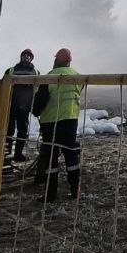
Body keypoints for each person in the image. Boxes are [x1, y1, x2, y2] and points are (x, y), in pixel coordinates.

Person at [34, 47, 81, 202]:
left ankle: (50, 195)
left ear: (56, 60)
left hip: (51, 123)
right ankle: (76, 191)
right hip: (70, 121)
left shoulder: (50, 76)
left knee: (51, 159)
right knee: (71, 155)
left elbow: (39, 102)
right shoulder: (77, 76)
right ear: (69, 62)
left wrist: (35, 110)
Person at [3, 48, 38, 163]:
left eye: (29, 55)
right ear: (21, 56)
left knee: (22, 131)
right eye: (24, 55)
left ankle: (17, 154)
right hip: (11, 105)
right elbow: (3, 86)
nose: (26, 57)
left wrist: (35, 105)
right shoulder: (11, 70)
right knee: (9, 130)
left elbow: (38, 89)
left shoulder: (36, 72)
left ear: (31, 58)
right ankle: (6, 153)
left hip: (24, 107)